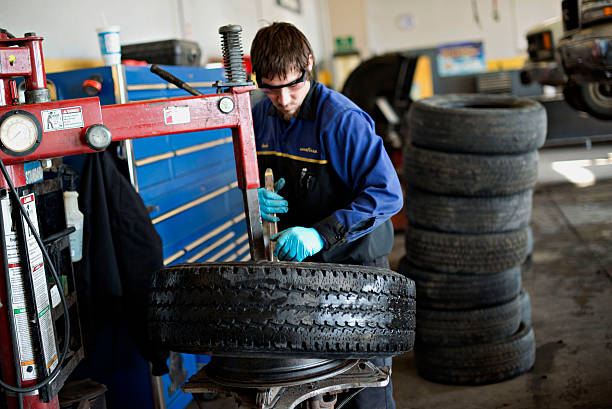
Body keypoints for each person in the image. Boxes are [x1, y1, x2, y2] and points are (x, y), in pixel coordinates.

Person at [250, 22, 403, 409]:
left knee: (363, 393)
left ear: (309, 66)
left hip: (359, 274)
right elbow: (250, 176)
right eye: (270, 88)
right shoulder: (258, 117)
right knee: (307, 388)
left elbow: (387, 194)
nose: (283, 99)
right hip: (302, 278)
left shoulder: (341, 120)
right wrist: (254, 196)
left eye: (292, 85)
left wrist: (321, 234)